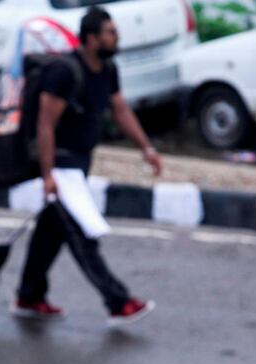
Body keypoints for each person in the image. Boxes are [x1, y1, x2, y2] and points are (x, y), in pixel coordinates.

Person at [12, 6, 161, 327]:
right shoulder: (65, 72)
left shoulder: (107, 69)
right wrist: (48, 175)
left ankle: (29, 295)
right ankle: (118, 302)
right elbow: (45, 125)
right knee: (82, 235)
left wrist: (146, 148)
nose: (117, 37)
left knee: (50, 233)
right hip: (61, 165)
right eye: (110, 32)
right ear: (92, 39)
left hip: (79, 164)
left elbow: (120, 110)